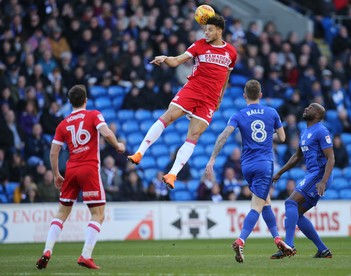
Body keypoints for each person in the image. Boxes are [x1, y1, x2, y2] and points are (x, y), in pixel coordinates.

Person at [126, 15, 237, 189]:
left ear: (219, 31)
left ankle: (172, 174)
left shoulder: (231, 52)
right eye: (205, 29)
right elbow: (177, 60)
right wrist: (165, 58)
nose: (206, 32)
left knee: (193, 136)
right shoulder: (199, 45)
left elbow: (226, 77)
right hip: (193, 90)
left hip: (209, 99)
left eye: (209, 29)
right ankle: (139, 153)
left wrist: (220, 98)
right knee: (168, 116)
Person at [36, 85, 125, 270]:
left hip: (71, 170)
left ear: (70, 102)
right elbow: (106, 133)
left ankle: (47, 250)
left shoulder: (63, 123)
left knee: (61, 213)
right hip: (89, 169)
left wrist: (56, 175)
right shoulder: (93, 114)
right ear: (86, 100)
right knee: (98, 214)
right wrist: (118, 146)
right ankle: (85, 255)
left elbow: (53, 153)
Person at [205, 79, 289, 263]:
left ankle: (277, 239)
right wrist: (268, 135)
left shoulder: (239, 114)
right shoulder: (272, 112)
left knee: (265, 201)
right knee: (257, 205)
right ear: (260, 95)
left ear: (244, 95)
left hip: (247, 166)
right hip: (264, 164)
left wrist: (212, 159)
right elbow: (282, 138)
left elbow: (224, 135)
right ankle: (240, 240)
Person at [270, 103, 335, 259]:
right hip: (312, 175)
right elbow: (297, 156)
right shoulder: (305, 132)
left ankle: (289, 245)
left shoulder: (321, 130)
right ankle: (323, 250)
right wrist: (280, 172)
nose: (306, 108)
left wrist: (323, 181)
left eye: (311, 107)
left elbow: (331, 158)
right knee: (297, 215)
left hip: (319, 175)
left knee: (290, 203)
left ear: (318, 115)